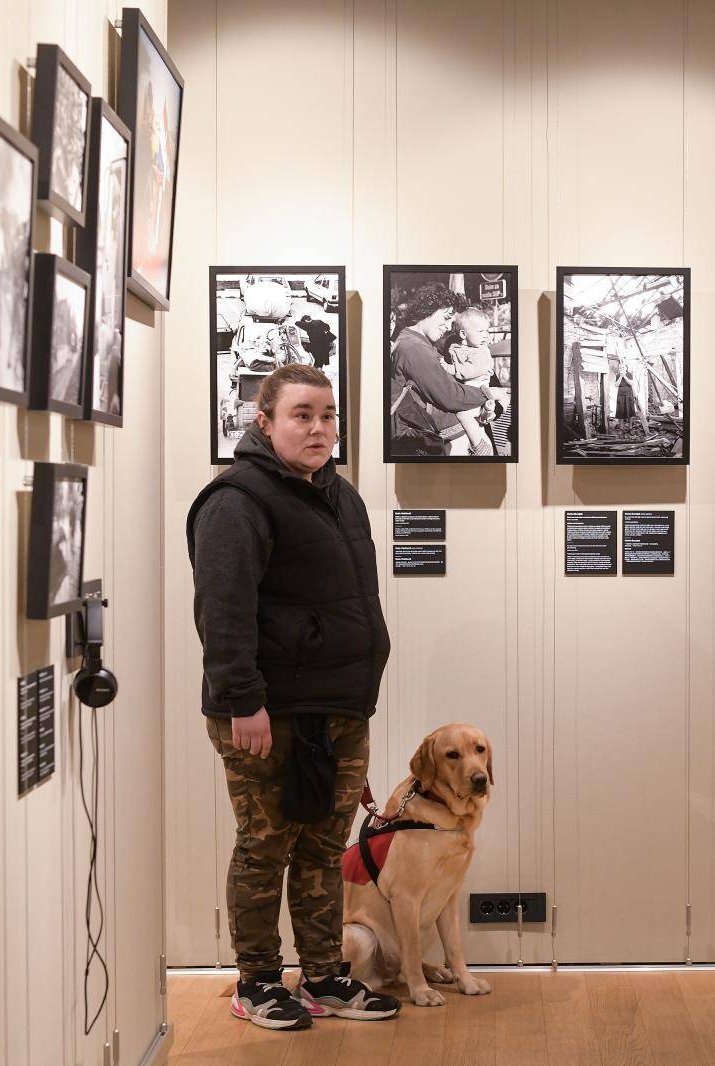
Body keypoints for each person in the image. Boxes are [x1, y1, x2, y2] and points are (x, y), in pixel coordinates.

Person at [187, 363, 401, 1030]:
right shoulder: (236, 501)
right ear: (264, 421)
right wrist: (241, 699)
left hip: (337, 707)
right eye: (302, 415)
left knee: (321, 848)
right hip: (264, 714)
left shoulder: (342, 495)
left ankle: (325, 978)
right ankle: (255, 982)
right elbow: (223, 613)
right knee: (264, 847)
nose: (318, 428)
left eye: (328, 415)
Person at [389, 284, 512, 456]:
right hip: (439, 440)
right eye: (446, 318)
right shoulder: (414, 348)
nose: (448, 327)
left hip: (444, 433)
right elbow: (450, 396)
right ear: (429, 310)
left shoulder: (419, 341)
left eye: (451, 322)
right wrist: (491, 393)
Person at [443, 306, 499, 456]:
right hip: (470, 389)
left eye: (486, 331)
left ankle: (479, 445)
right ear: (463, 334)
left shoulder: (481, 350)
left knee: (463, 415)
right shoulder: (456, 346)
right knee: (476, 422)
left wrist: (450, 368)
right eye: (480, 332)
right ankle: (487, 411)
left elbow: (470, 371)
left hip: (476, 386)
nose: (485, 336)